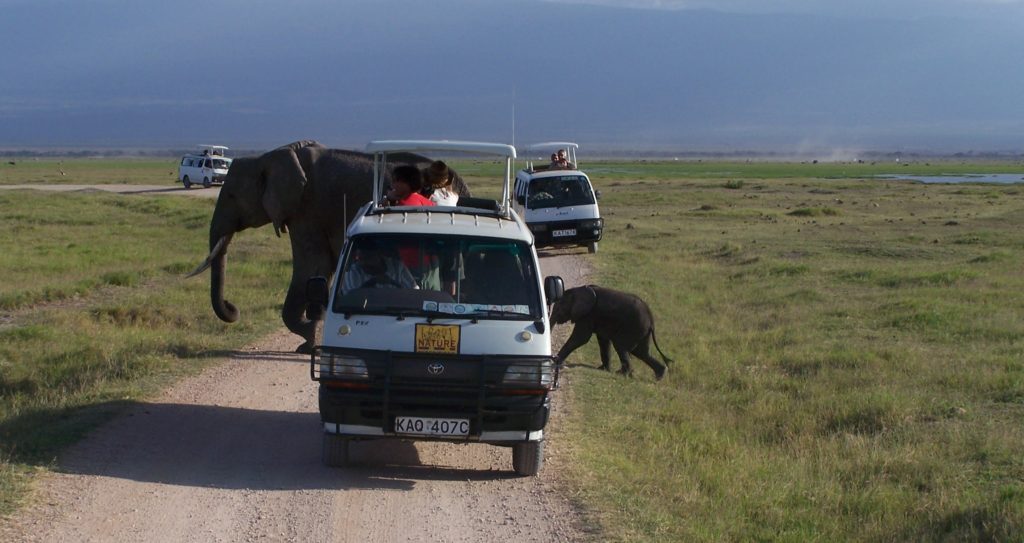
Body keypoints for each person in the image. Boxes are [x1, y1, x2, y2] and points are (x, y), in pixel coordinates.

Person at [341, 241, 418, 292]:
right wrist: (372, 282)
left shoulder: (397, 267)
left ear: (379, 254)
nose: (364, 263)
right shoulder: (353, 273)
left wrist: (393, 283)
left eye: (368, 257)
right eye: (360, 259)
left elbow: (414, 292)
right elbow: (351, 299)